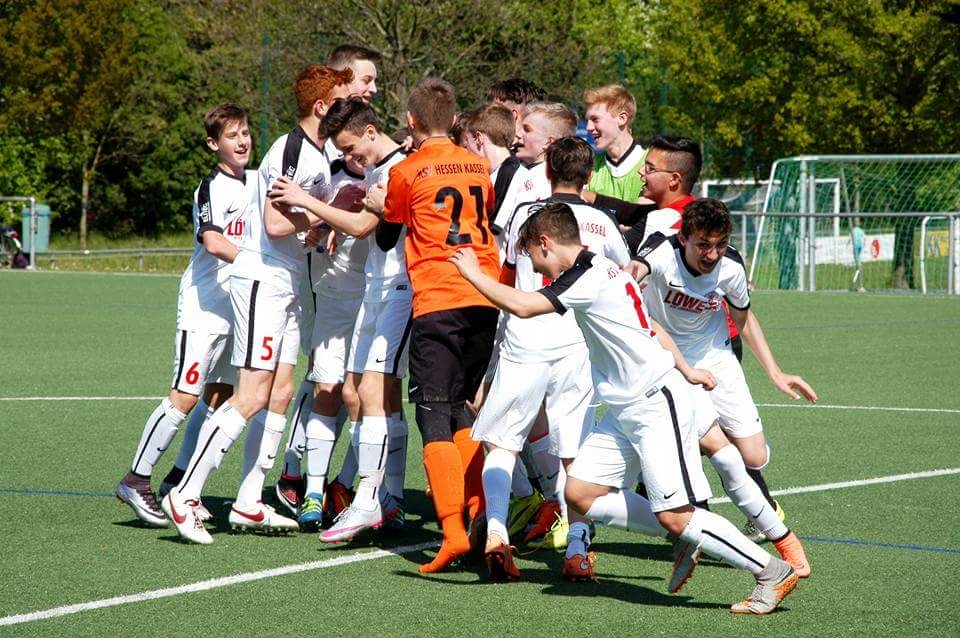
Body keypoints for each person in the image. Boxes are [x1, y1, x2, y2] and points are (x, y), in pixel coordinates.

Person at [450, 202, 799, 615]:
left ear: (546, 243)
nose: (537, 268)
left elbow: (524, 307)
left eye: (534, 257)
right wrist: (686, 369)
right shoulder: (602, 267)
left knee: (677, 515)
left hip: (654, 403)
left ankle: (770, 570)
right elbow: (653, 327)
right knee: (579, 493)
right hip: (626, 409)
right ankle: (690, 535)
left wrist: (472, 273)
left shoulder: (585, 276)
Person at [161, 65, 355, 544]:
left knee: (281, 393)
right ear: (322, 107)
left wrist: (316, 224)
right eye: (343, 98)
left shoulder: (320, 152)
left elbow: (294, 222)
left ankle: (248, 501)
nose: (350, 105)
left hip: (288, 282)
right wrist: (322, 216)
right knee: (249, 395)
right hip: (262, 280)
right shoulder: (293, 149)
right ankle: (184, 493)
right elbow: (273, 224)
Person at [471, 137, 631, 580]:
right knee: (573, 454)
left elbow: (506, 277)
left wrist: (489, 363)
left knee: (503, 443)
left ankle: (497, 532)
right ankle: (577, 549)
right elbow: (626, 275)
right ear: (590, 176)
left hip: (524, 338)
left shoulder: (525, 214)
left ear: (546, 172)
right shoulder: (602, 221)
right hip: (575, 343)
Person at [632, 198, 816, 577]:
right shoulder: (661, 253)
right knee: (715, 446)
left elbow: (744, 319)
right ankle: (707, 522)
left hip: (716, 356)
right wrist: (630, 273)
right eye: (703, 245)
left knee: (754, 456)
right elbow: (637, 269)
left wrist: (775, 372)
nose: (712, 254)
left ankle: (679, 477)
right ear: (684, 238)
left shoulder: (731, 266)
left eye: (719, 244)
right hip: (668, 360)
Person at [269, 97, 410, 540]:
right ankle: (340, 493)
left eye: (351, 148)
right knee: (349, 391)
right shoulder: (371, 170)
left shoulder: (397, 167)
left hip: (395, 293)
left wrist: (305, 202)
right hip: (361, 293)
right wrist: (325, 221)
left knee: (378, 396)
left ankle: (382, 497)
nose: (349, 157)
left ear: (370, 132)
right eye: (343, 152)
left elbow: (363, 225)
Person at [379, 78, 501, 573]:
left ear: (411, 122)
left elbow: (388, 230)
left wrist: (376, 203)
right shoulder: (478, 164)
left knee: (432, 412)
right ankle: (481, 515)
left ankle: (451, 533)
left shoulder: (406, 170)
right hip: (485, 295)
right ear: (453, 121)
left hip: (439, 297)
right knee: (463, 410)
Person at [116, 103, 255, 528]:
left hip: (237, 308)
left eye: (245, 132)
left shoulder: (257, 181)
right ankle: (136, 479)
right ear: (213, 144)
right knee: (185, 395)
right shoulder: (211, 187)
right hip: (204, 307)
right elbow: (213, 241)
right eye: (232, 136)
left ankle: (180, 483)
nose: (242, 141)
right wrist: (258, 263)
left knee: (218, 396)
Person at [458, 103, 536, 240]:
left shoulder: (509, 174)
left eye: (467, 144)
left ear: (479, 138)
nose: (466, 151)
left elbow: (491, 230)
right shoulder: (506, 171)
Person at [583, 85, 646, 204]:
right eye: (587, 121)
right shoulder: (589, 166)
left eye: (595, 119)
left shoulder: (652, 165)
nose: (588, 127)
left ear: (622, 118)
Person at [515, 102, 578, 200]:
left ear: (549, 142)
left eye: (527, 130)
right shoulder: (516, 169)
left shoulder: (550, 184)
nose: (518, 134)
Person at [486, 78, 546, 150]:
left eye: (494, 112)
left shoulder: (503, 152)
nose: (487, 117)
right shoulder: (544, 148)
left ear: (512, 115)